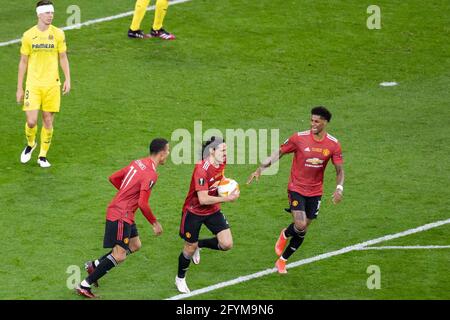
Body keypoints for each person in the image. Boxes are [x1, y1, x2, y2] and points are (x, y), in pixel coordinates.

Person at [247, 106, 345, 274]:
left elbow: (339, 170)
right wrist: (260, 168)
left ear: (325, 122)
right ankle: (285, 233)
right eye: (311, 120)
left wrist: (339, 188)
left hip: (315, 192)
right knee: (299, 224)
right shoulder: (298, 138)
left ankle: (282, 261)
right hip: (297, 188)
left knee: (304, 228)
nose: (312, 124)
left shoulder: (333, 144)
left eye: (316, 121)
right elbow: (279, 152)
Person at [76, 138, 170, 298]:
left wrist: (126, 194)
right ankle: (85, 284)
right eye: (168, 151)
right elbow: (143, 203)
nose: (168, 154)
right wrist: (154, 222)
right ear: (161, 154)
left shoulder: (138, 162)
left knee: (135, 245)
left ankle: (95, 265)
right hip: (121, 215)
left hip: (125, 213)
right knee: (119, 255)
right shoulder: (151, 174)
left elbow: (113, 178)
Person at [175, 137, 240, 293]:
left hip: (212, 209)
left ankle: (200, 245)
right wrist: (227, 198)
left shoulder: (222, 161)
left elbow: (219, 176)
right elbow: (203, 199)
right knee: (189, 248)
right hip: (194, 211)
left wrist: (227, 184)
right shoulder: (201, 170)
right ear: (211, 151)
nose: (225, 153)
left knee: (226, 244)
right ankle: (180, 278)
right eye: (222, 150)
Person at [17, 0, 71, 168]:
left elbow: (63, 57)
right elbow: (23, 62)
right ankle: (31, 143)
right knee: (32, 121)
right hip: (33, 85)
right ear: (39, 14)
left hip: (52, 85)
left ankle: (42, 155)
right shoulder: (28, 36)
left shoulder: (58, 34)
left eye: (52, 13)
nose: (51, 15)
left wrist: (68, 78)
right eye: (47, 13)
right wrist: (19, 87)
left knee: (48, 121)